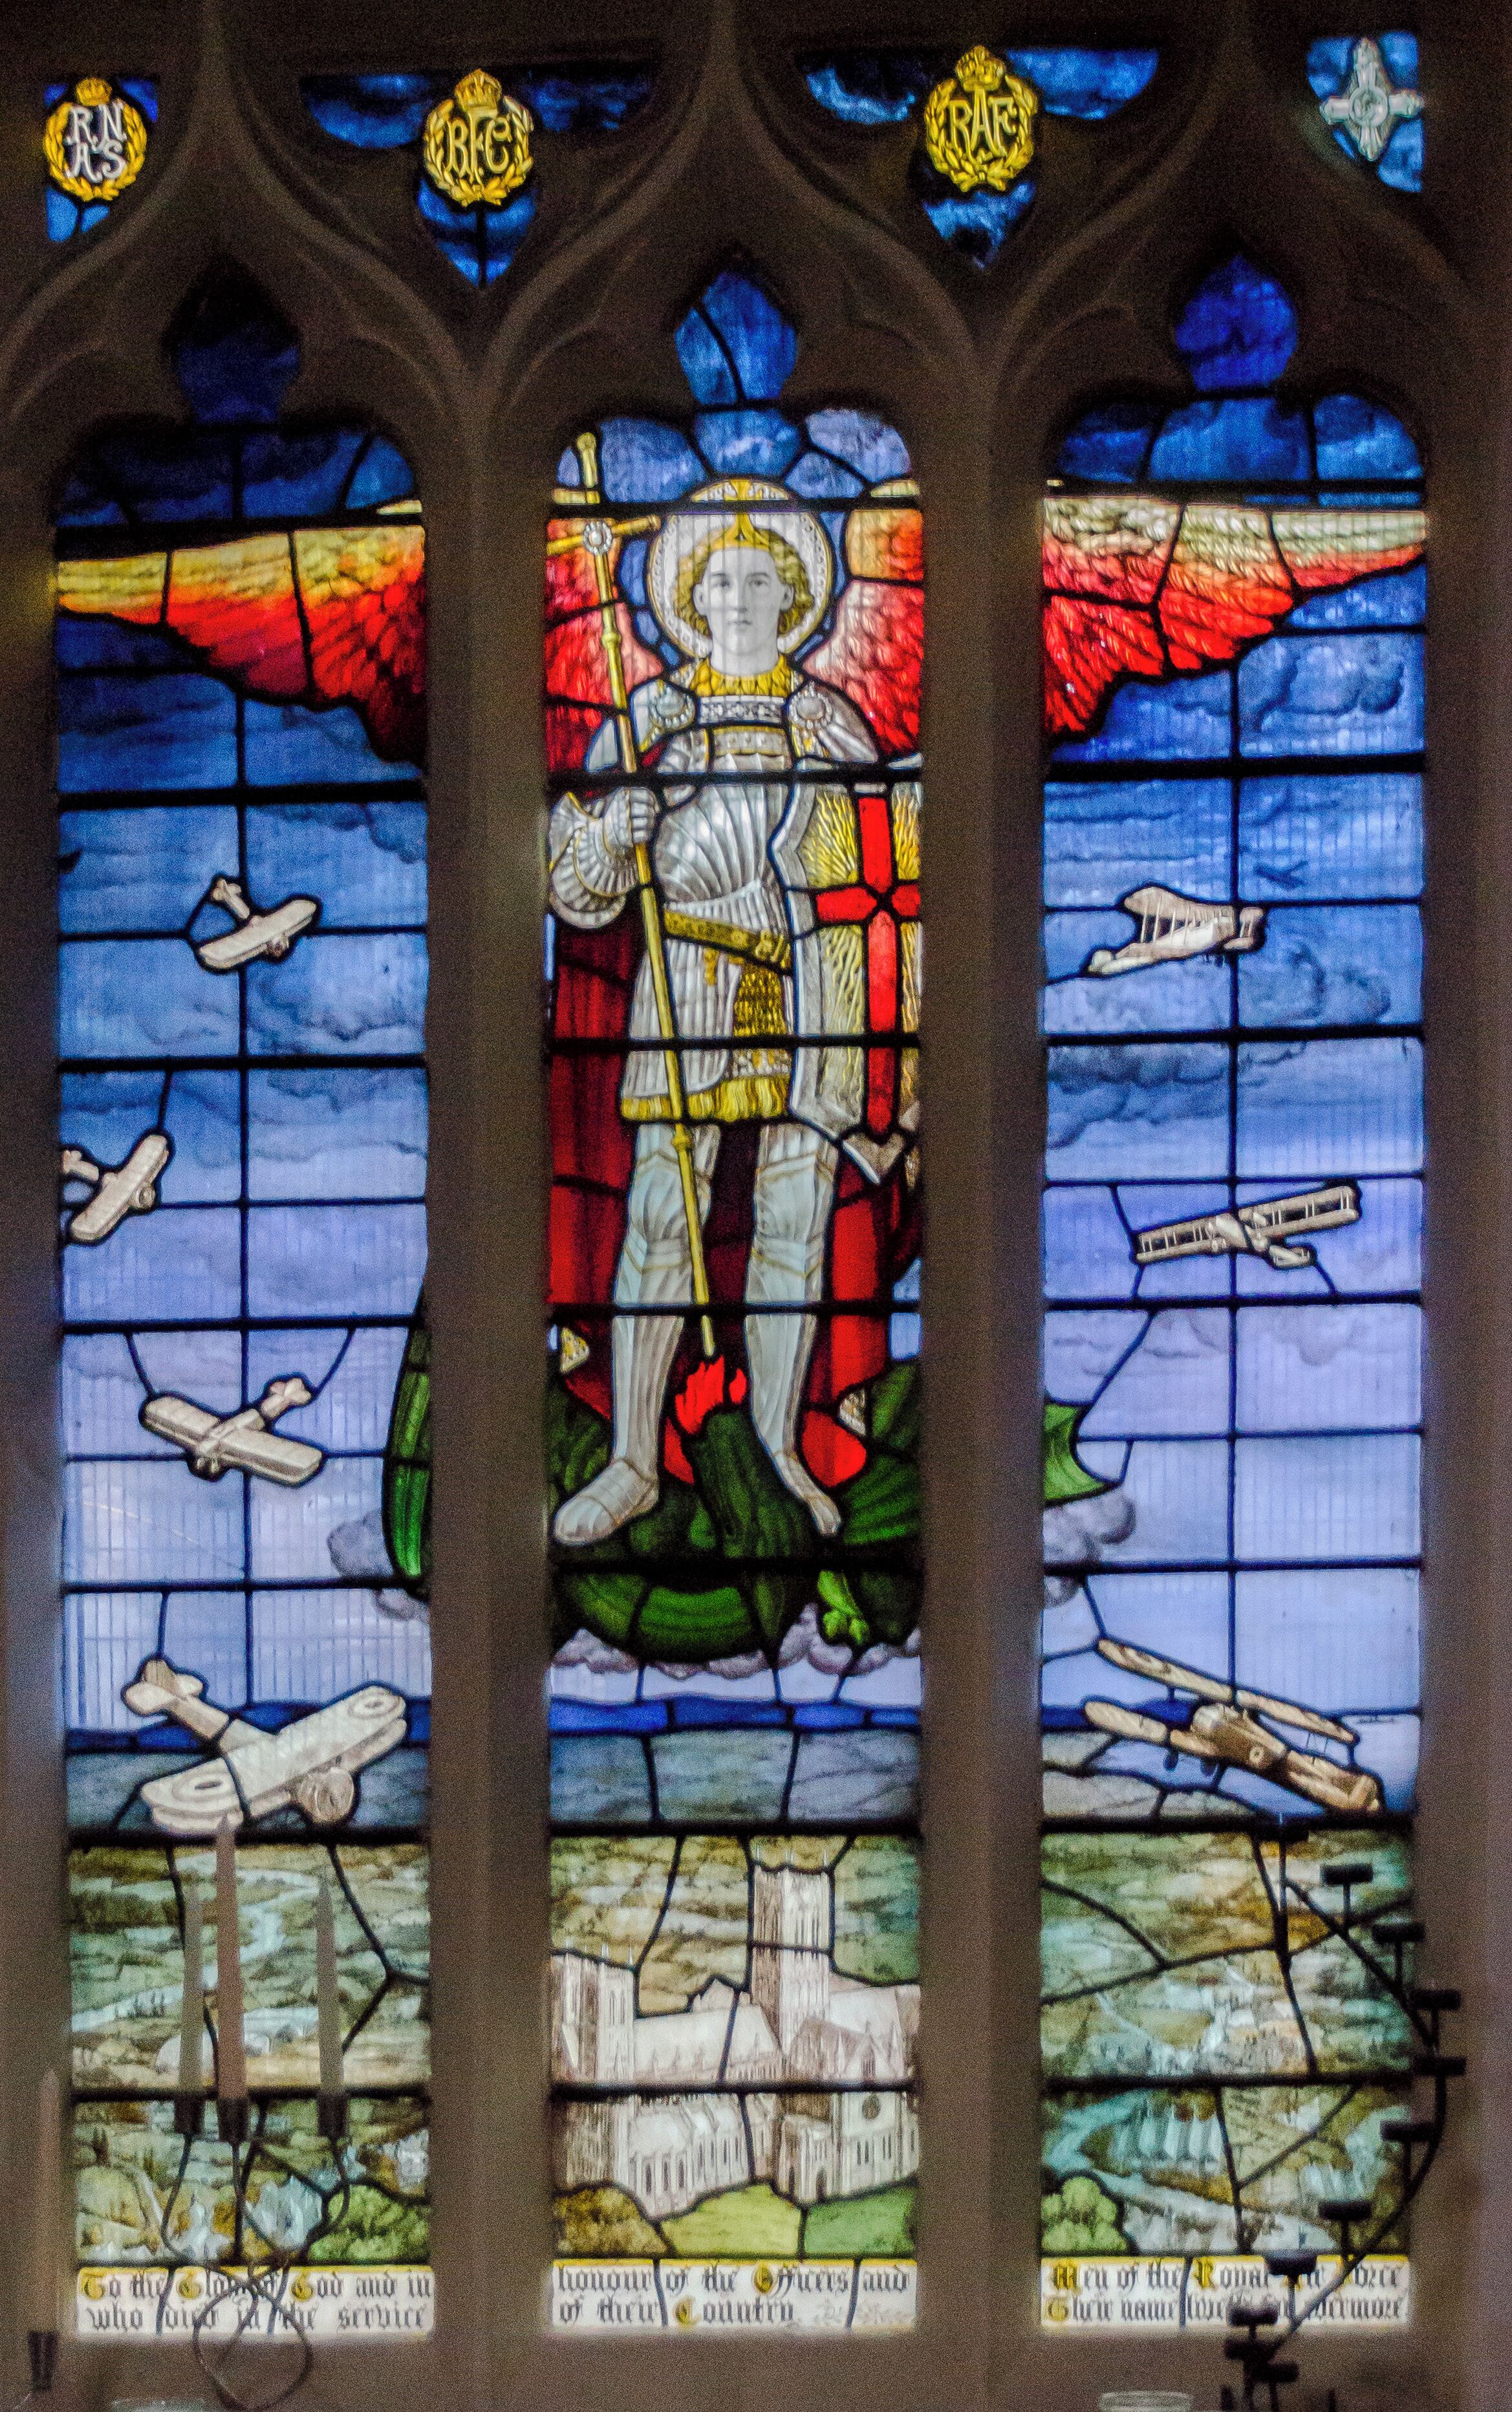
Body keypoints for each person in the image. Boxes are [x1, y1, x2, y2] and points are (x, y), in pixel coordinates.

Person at [548, 477, 876, 1545]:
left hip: (806, 986)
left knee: (792, 1223)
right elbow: (573, 891)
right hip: (684, 976)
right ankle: (635, 1458)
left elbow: (883, 871)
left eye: (760, 580)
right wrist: (609, 832)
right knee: (657, 1225)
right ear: (687, 598)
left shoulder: (827, 720)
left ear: (794, 600)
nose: (737, 596)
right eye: (718, 580)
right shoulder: (650, 718)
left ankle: (779, 1445)